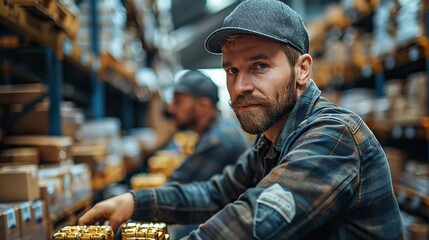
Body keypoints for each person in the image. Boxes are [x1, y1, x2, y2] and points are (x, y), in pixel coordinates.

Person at [79, 0, 405, 239]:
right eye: (232, 70)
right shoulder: (272, 139)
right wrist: (135, 202)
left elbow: (253, 221)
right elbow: (217, 194)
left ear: (302, 69)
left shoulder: (333, 136)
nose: (241, 86)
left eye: (260, 66)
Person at [165, 70, 248, 184]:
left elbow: (177, 187)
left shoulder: (217, 140)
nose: (170, 109)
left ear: (203, 106)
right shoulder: (221, 128)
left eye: (178, 102)